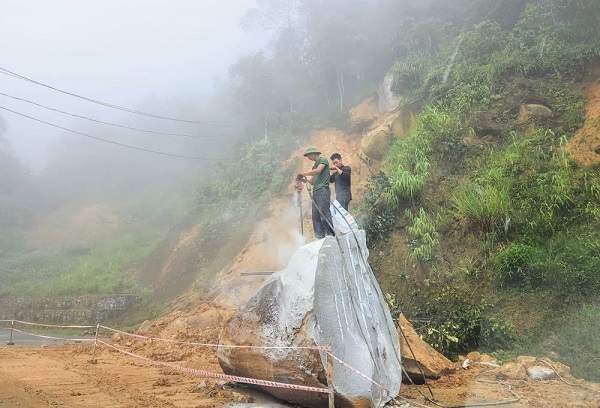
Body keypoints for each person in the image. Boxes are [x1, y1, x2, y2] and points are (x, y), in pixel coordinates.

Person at [298, 146, 335, 239]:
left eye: (308, 156)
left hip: (323, 190)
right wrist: (303, 180)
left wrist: (304, 173)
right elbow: (312, 181)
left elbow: (319, 171)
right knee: (316, 215)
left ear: (314, 154)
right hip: (316, 191)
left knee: (324, 212)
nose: (308, 158)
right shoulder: (314, 165)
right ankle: (319, 236)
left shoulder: (323, 160)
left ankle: (329, 234)